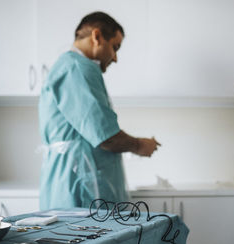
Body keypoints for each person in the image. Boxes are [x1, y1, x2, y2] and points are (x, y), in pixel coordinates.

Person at [38, 11, 160, 210]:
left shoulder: (70, 67)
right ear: (97, 37)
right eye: (115, 47)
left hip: (72, 183)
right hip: (81, 188)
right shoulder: (77, 68)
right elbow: (106, 137)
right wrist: (139, 145)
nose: (115, 57)